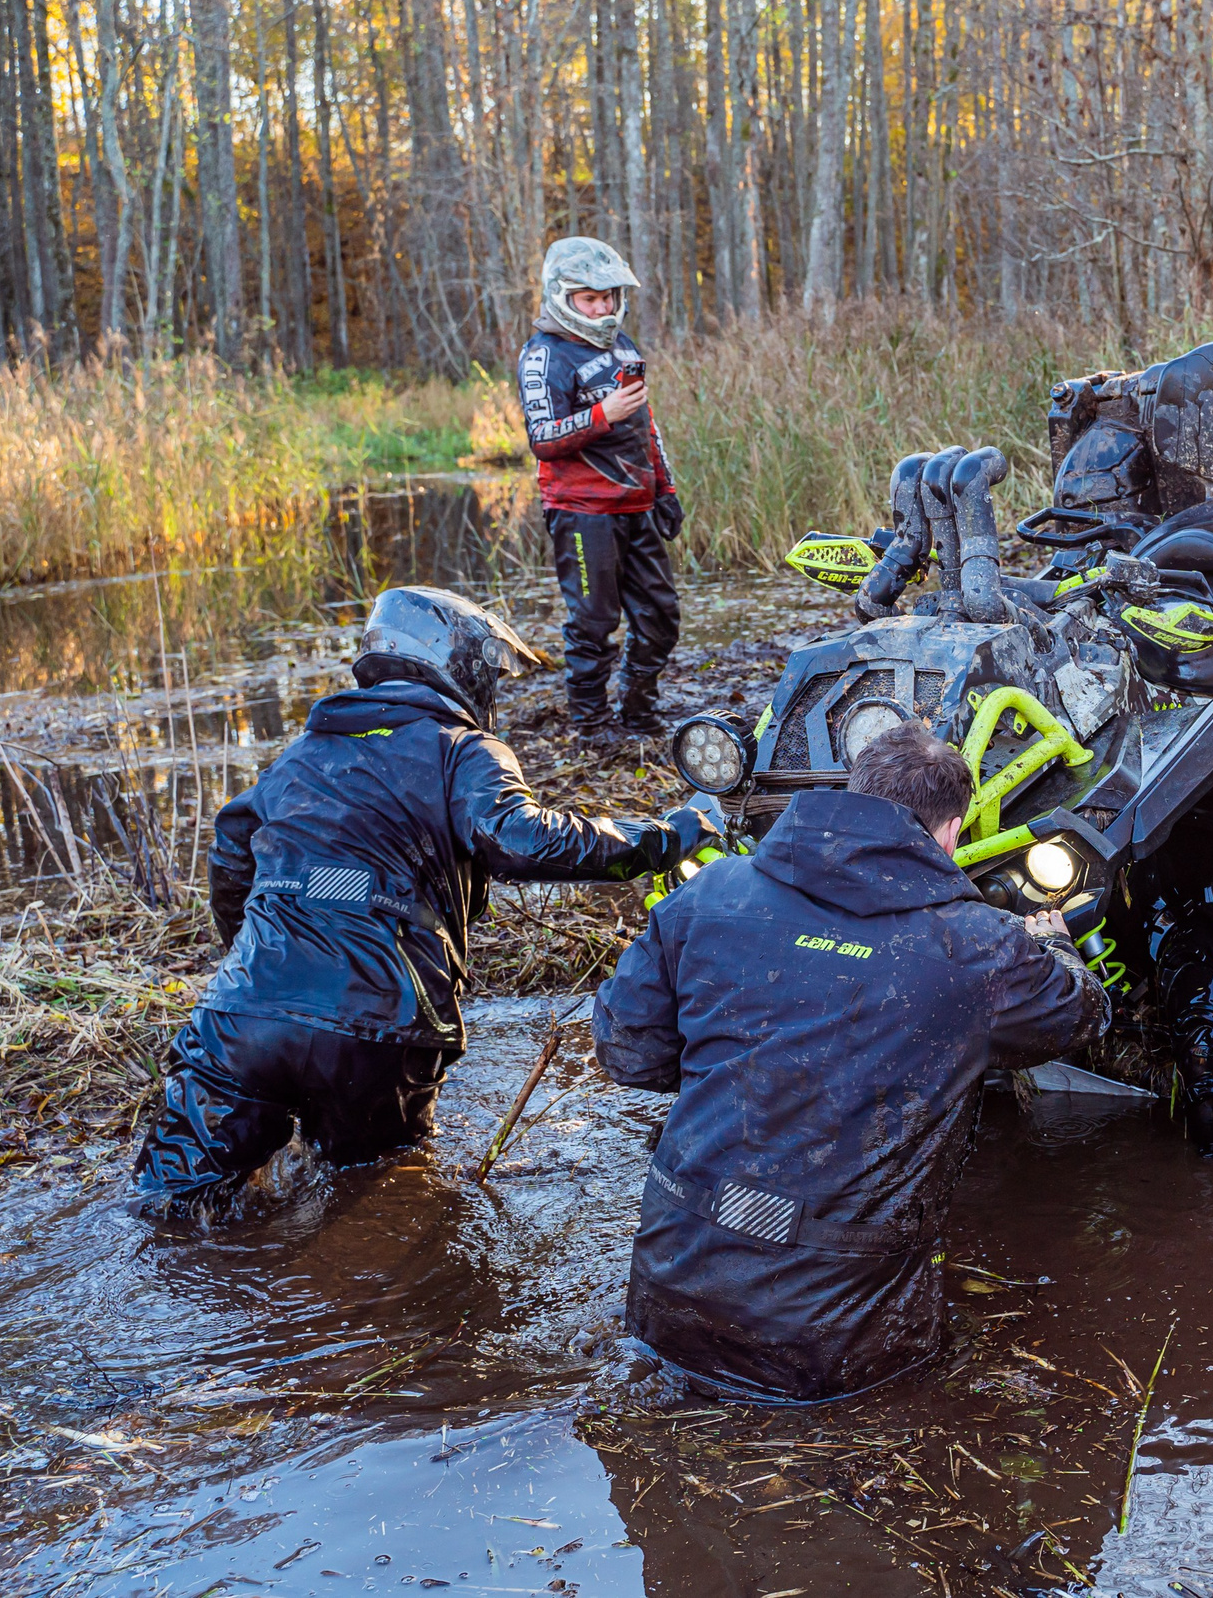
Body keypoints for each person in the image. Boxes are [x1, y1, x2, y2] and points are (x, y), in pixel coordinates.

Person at [130, 586, 706, 1216]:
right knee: (377, 1198)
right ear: (458, 665)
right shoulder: (461, 749)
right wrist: (662, 838)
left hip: (244, 1013)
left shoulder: (299, 756)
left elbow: (231, 852)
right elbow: (519, 836)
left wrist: (258, 958)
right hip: (379, 1020)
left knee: (171, 1203)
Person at [590, 722, 1109, 1403]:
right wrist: (1056, 946)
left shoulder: (712, 891)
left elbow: (626, 1050)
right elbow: (1080, 1018)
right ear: (949, 834)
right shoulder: (979, 946)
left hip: (668, 1300)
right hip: (829, 1352)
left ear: (853, 792)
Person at [517, 236, 686, 736]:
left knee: (661, 615)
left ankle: (639, 709)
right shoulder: (544, 356)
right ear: (563, 296)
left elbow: (645, 424)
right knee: (593, 623)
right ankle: (591, 724)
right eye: (591, 299)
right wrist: (599, 415)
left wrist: (666, 489)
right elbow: (541, 438)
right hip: (582, 510)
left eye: (609, 297)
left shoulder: (623, 346)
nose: (603, 306)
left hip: (636, 504)